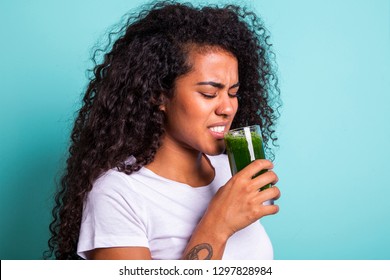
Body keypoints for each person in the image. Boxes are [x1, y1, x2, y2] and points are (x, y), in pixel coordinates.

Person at [45, 0, 282, 260]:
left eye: (233, 93)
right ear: (159, 96)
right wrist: (218, 225)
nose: (227, 108)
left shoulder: (230, 169)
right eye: (209, 93)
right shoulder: (118, 195)